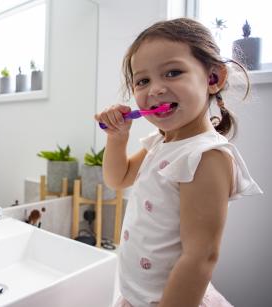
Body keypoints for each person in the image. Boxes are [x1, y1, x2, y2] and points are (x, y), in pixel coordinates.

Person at [95, 18, 262, 307]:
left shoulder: (204, 156)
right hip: (138, 297)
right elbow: (118, 178)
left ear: (213, 79)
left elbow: (200, 256)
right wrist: (117, 138)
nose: (155, 89)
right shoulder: (162, 142)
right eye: (143, 80)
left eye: (173, 72)